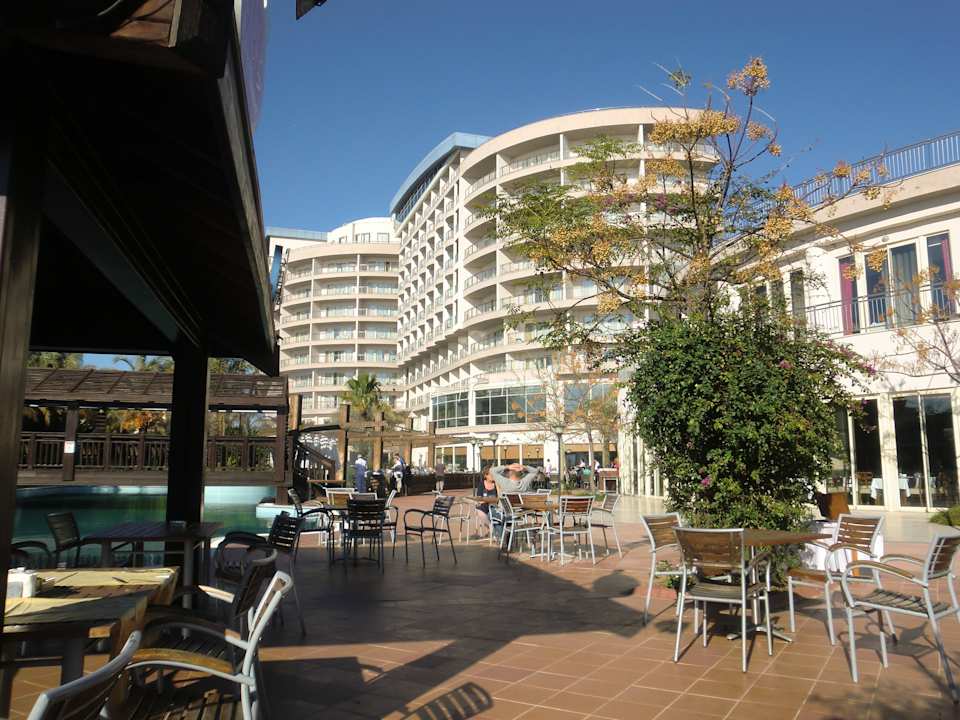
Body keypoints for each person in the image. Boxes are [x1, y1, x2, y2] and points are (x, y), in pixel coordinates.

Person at [474, 465, 499, 539]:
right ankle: (492, 528)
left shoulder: (497, 484)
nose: (493, 476)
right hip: (484, 506)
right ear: (486, 475)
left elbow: (500, 497)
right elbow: (479, 497)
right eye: (491, 474)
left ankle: (493, 531)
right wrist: (483, 501)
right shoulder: (481, 484)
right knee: (478, 510)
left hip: (494, 506)